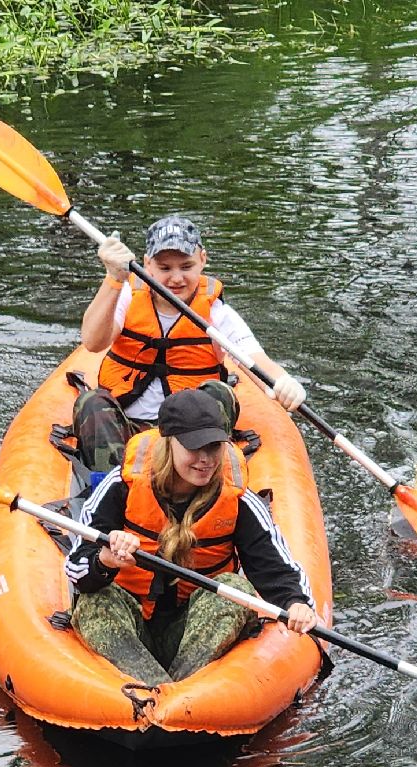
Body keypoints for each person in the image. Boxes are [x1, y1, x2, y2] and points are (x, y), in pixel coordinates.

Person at [63, 389, 320, 686]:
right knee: (96, 599)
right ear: (169, 443)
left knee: (235, 589)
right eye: (194, 448)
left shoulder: (239, 500)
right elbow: (78, 569)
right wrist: (105, 560)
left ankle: (179, 693)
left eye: (214, 447)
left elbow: (277, 571)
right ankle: (149, 689)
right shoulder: (121, 486)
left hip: (191, 632)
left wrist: (297, 603)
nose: (205, 460)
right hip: (131, 625)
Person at [71, 214, 309, 474]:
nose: (176, 279)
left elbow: (253, 358)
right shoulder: (125, 294)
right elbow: (93, 343)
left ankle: (195, 482)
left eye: (186, 266)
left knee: (220, 392)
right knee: (91, 402)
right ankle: (115, 488)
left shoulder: (217, 312)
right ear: (148, 264)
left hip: (190, 435)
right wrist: (114, 278)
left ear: (202, 261)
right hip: (127, 425)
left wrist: (285, 383)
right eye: (165, 268)